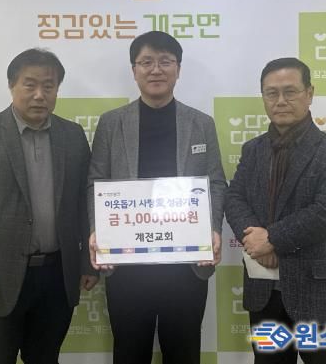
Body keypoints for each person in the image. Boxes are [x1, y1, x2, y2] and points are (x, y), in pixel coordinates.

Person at [0, 48, 98, 364]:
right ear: (12, 85)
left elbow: (84, 204)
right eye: (30, 85)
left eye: (49, 86)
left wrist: (87, 262)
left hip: (56, 278)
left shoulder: (72, 136)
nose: (40, 95)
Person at [87, 31, 227, 364]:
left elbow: (216, 183)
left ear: (178, 69)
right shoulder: (112, 123)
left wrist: (212, 228)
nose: (156, 70)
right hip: (127, 265)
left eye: (165, 62)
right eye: (146, 62)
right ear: (134, 70)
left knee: (184, 353)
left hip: (186, 265)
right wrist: (98, 230)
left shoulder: (201, 123)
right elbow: (95, 183)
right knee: (129, 353)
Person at [224, 57, 326, 363]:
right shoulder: (252, 150)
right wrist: (255, 240)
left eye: (290, 91)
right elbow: (234, 198)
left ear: (309, 94)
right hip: (264, 292)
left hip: (319, 294)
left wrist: (272, 239)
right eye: (271, 93)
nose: (280, 101)